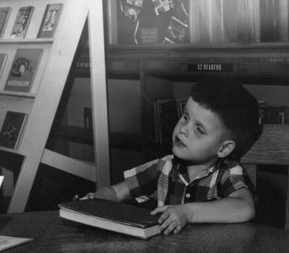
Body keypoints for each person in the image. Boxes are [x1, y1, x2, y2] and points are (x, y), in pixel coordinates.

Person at [82, 78, 262, 235]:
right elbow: (115, 192)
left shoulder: (228, 172)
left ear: (224, 149)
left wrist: (187, 213)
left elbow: (245, 207)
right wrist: (95, 201)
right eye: (185, 117)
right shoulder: (164, 168)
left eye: (199, 129)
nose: (183, 129)